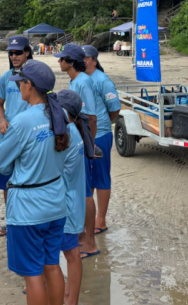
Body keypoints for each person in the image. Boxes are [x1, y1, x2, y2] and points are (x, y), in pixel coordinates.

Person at [0, 59, 69, 305]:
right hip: (56, 202)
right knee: (52, 265)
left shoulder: (23, 121)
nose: (18, 88)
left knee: (32, 274)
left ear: (29, 85)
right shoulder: (61, 114)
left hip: (28, 209)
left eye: (20, 83)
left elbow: (0, 163)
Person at [54, 43, 99, 259]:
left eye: (61, 59)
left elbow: (90, 116)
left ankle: (89, 241)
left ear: (70, 62)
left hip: (83, 142)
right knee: (80, 191)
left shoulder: (83, 82)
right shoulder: (75, 81)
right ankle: (81, 236)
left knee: (86, 193)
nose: (59, 62)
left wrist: (89, 146)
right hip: (78, 139)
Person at [54, 90, 95, 305]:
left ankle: (69, 299)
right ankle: (70, 296)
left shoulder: (66, 135)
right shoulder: (75, 131)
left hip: (66, 205)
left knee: (67, 255)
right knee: (71, 254)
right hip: (73, 202)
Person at [0, 35, 33, 237]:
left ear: (27, 53)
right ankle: (11, 220)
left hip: (30, 139)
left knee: (28, 180)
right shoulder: (5, 77)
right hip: (7, 137)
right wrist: (2, 120)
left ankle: (28, 220)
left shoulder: (36, 76)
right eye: (11, 53)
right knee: (6, 182)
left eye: (18, 52)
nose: (14, 56)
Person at [81, 45, 121, 237]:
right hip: (85, 135)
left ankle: (101, 220)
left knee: (101, 177)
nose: (82, 60)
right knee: (88, 178)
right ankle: (88, 217)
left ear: (94, 60)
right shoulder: (81, 79)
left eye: (86, 57)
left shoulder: (102, 80)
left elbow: (114, 108)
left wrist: (105, 124)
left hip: (101, 134)